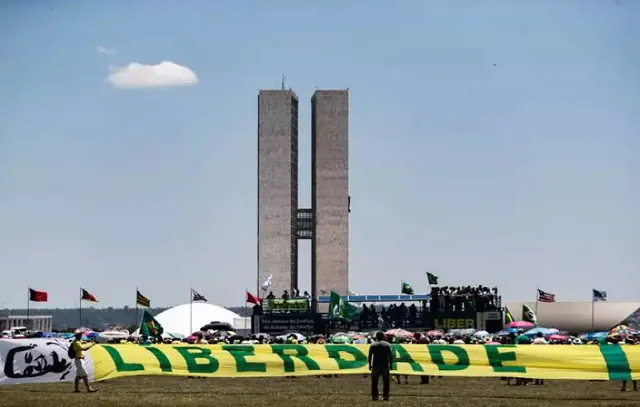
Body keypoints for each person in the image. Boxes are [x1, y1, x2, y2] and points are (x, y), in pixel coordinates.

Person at [368, 331, 393, 401]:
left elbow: (370, 356)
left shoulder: (373, 345)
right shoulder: (387, 345)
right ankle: (385, 396)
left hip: (376, 365)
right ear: (383, 336)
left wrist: (370, 365)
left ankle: (375, 396)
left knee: (374, 382)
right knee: (386, 382)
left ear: (376, 337)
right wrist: (391, 364)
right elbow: (391, 356)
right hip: (385, 365)